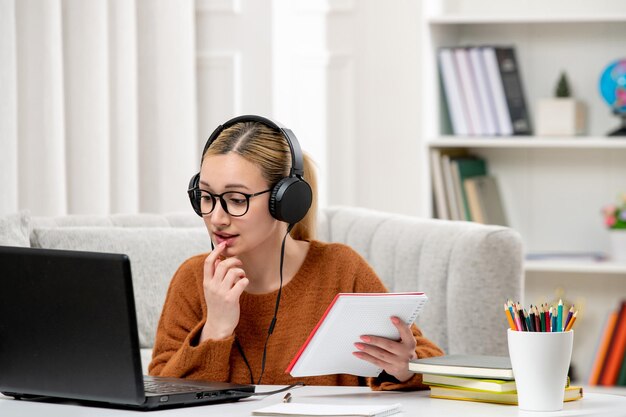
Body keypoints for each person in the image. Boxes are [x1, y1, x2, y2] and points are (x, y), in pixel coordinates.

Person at [148, 115, 443, 390]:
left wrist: (404, 368)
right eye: (207, 197)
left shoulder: (339, 268)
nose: (217, 218)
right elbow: (162, 391)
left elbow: (430, 361)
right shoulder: (193, 278)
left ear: (286, 201)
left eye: (236, 200)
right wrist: (215, 329)